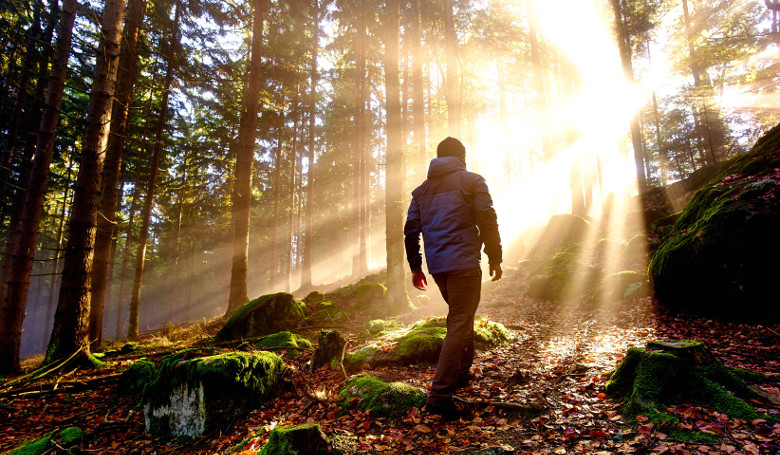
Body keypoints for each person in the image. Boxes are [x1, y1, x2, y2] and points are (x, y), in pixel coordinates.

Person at [403, 137, 503, 419]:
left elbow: (411, 231)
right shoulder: (472, 181)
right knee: (460, 320)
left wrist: (416, 266)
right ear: (462, 157)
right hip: (464, 264)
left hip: (439, 268)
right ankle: (439, 396)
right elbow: (487, 216)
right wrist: (494, 255)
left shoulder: (421, 191)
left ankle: (461, 371)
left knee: (461, 314)